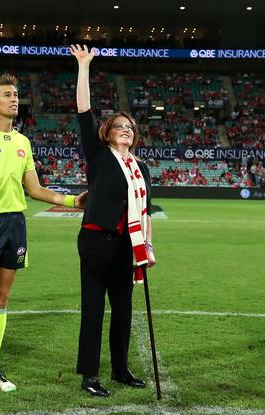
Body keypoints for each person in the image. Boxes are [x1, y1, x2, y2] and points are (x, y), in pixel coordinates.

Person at [0, 74, 86, 405]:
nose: (14, 99)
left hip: (14, 225)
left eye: (16, 95)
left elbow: (33, 189)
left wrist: (70, 201)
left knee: (1, 298)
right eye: (7, 95)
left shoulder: (23, 142)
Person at [70, 44, 155, 397]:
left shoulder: (142, 168)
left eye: (130, 127)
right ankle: (89, 375)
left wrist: (147, 244)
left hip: (127, 245)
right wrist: (84, 66)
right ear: (107, 132)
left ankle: (121, 369)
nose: (125, 130)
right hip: (96, 241)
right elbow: (84, 111)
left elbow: (147, 210)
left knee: (123, 309)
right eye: (118, 126)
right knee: (93, 309)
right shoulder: (99, 156)